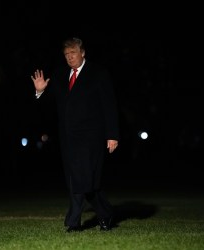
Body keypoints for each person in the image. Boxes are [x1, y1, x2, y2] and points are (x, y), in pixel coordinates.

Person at [30, 37, 120, 232]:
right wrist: (40, 92)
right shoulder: (60, 74)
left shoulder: (98, 73)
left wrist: (112, 135)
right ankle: (105, 213)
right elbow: (48, 105)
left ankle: (73, 222)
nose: (69, 57)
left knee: (83, 179)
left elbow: (109, 105)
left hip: (92, 138)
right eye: (66, 54)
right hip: (68, 139)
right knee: (79, 181)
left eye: (73, 53)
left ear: (82, 52)